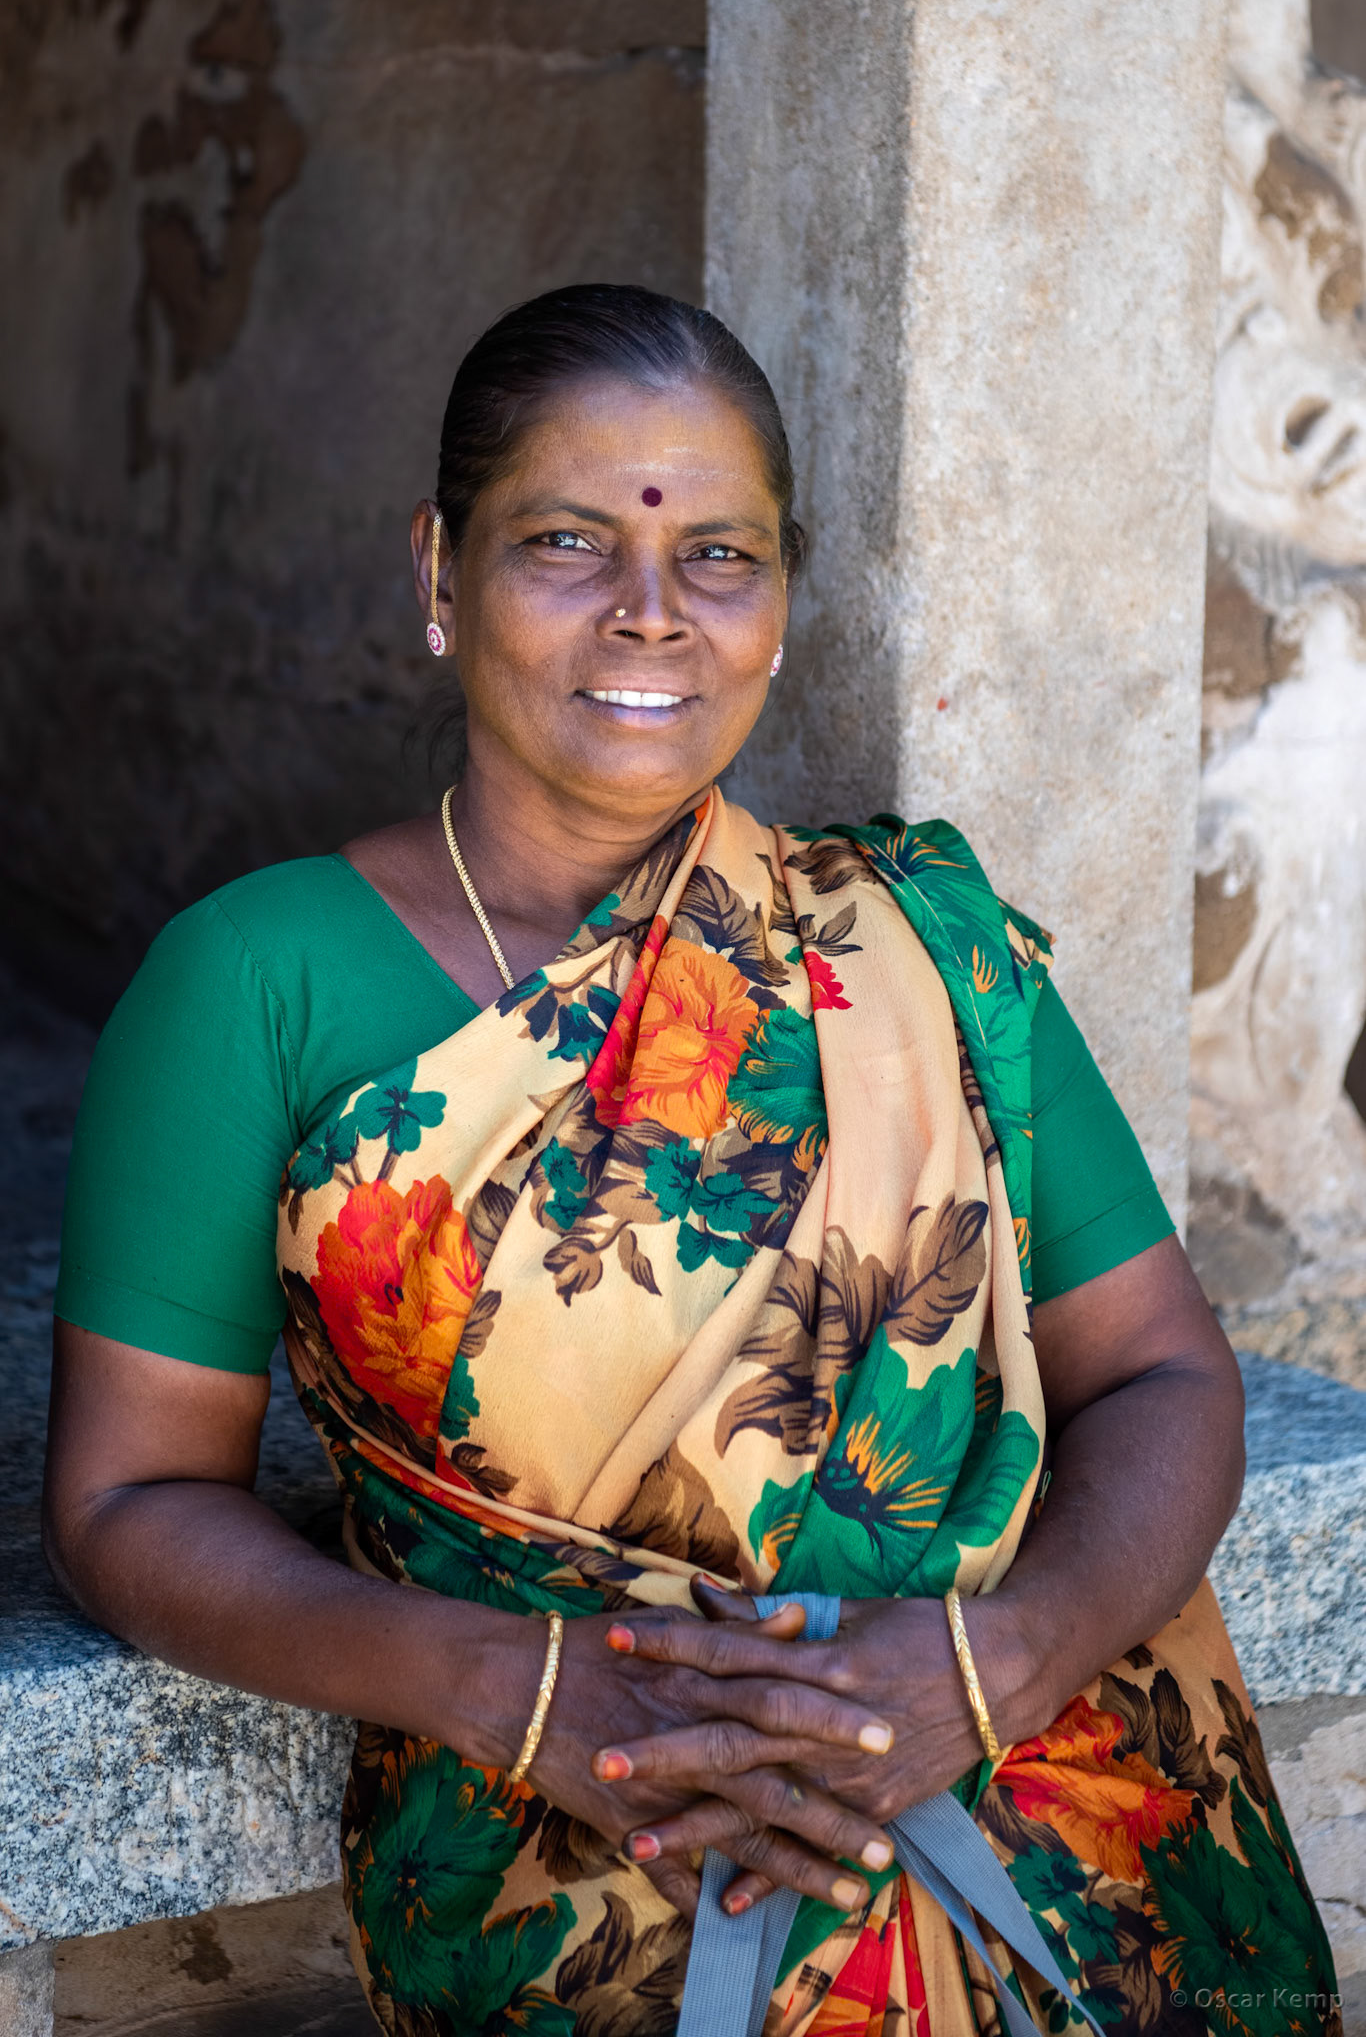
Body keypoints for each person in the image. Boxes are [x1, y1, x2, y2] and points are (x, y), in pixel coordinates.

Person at [45, 286, 1339, 2037]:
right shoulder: (254, 986)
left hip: (1067, 1835)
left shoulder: (912, 946)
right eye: (566, 543)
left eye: (719, 555)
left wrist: (989, 1664)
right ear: (440, 572)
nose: (651, 614)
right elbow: (128, 1505)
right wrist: (524, 1688)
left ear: (782, 600)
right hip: (560, 1873)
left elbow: (1166, 1373)